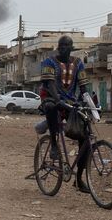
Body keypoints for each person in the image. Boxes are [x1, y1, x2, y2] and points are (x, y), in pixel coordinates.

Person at [41, 35, 91, 193]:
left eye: (66, 46)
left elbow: (83, 87)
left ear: (71, 48)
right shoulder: (49, 62)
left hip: (71, 102)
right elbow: (49, 84)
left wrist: (88, 102)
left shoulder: (78, 63)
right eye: (60, 45)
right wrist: (58, 100)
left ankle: (79, 179)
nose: (62, 48)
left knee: (86, 140)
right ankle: (54, 145)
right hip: (51, 97)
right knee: (50, 106)